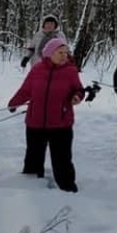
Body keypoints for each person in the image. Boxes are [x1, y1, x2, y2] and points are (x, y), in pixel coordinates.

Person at [8, 37, 84, 192]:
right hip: (36, 121)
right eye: (60, 52)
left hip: (61, 123)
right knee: (33, 156)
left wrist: (77, 97)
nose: (64, 56)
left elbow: (79, 89)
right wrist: (14, 102)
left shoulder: (70, 70)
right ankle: (31, 186)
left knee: (62, 158)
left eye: (65, 52)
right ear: (49, 53)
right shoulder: (37, 69)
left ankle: (67, 187)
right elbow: (26, 90)